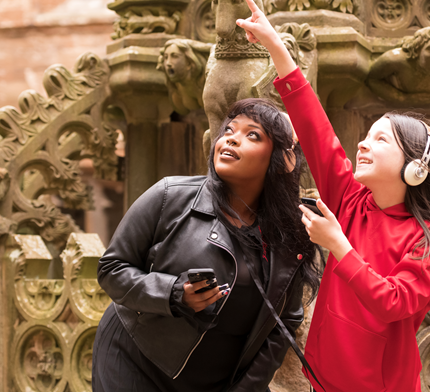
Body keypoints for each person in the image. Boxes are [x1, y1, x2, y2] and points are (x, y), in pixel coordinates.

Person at [236, 0, 430, 392]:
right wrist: (276, 46)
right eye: (366, 135)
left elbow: (392, 301)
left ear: (416, 169)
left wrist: (338, 245)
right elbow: (315, 128)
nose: (362, 144)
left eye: (381, 140)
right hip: (321, 382)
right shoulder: (351, 200)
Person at [92, 98, 323, 392]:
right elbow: (112, 268)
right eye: (229, 129)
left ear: (282, 160)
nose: (231, 138)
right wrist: (174, 292)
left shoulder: (291, 233)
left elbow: (284, 321)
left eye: (252, 134)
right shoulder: (169, 196)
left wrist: (246, 388)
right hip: (136, 357)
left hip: (215, 380)